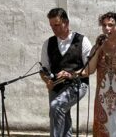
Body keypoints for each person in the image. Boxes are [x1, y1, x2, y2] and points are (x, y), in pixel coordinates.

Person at [40, 8, 93, 137]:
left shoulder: (82, 40)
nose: (54, 29)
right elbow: (43, 69)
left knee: (56, 107)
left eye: (57, 25)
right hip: (56, 86)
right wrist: (47, 81)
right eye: (52, 26)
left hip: (77, 85)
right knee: (59, 115)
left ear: (67, 23)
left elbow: (90, 69)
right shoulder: (48, 43)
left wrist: (72, 74)